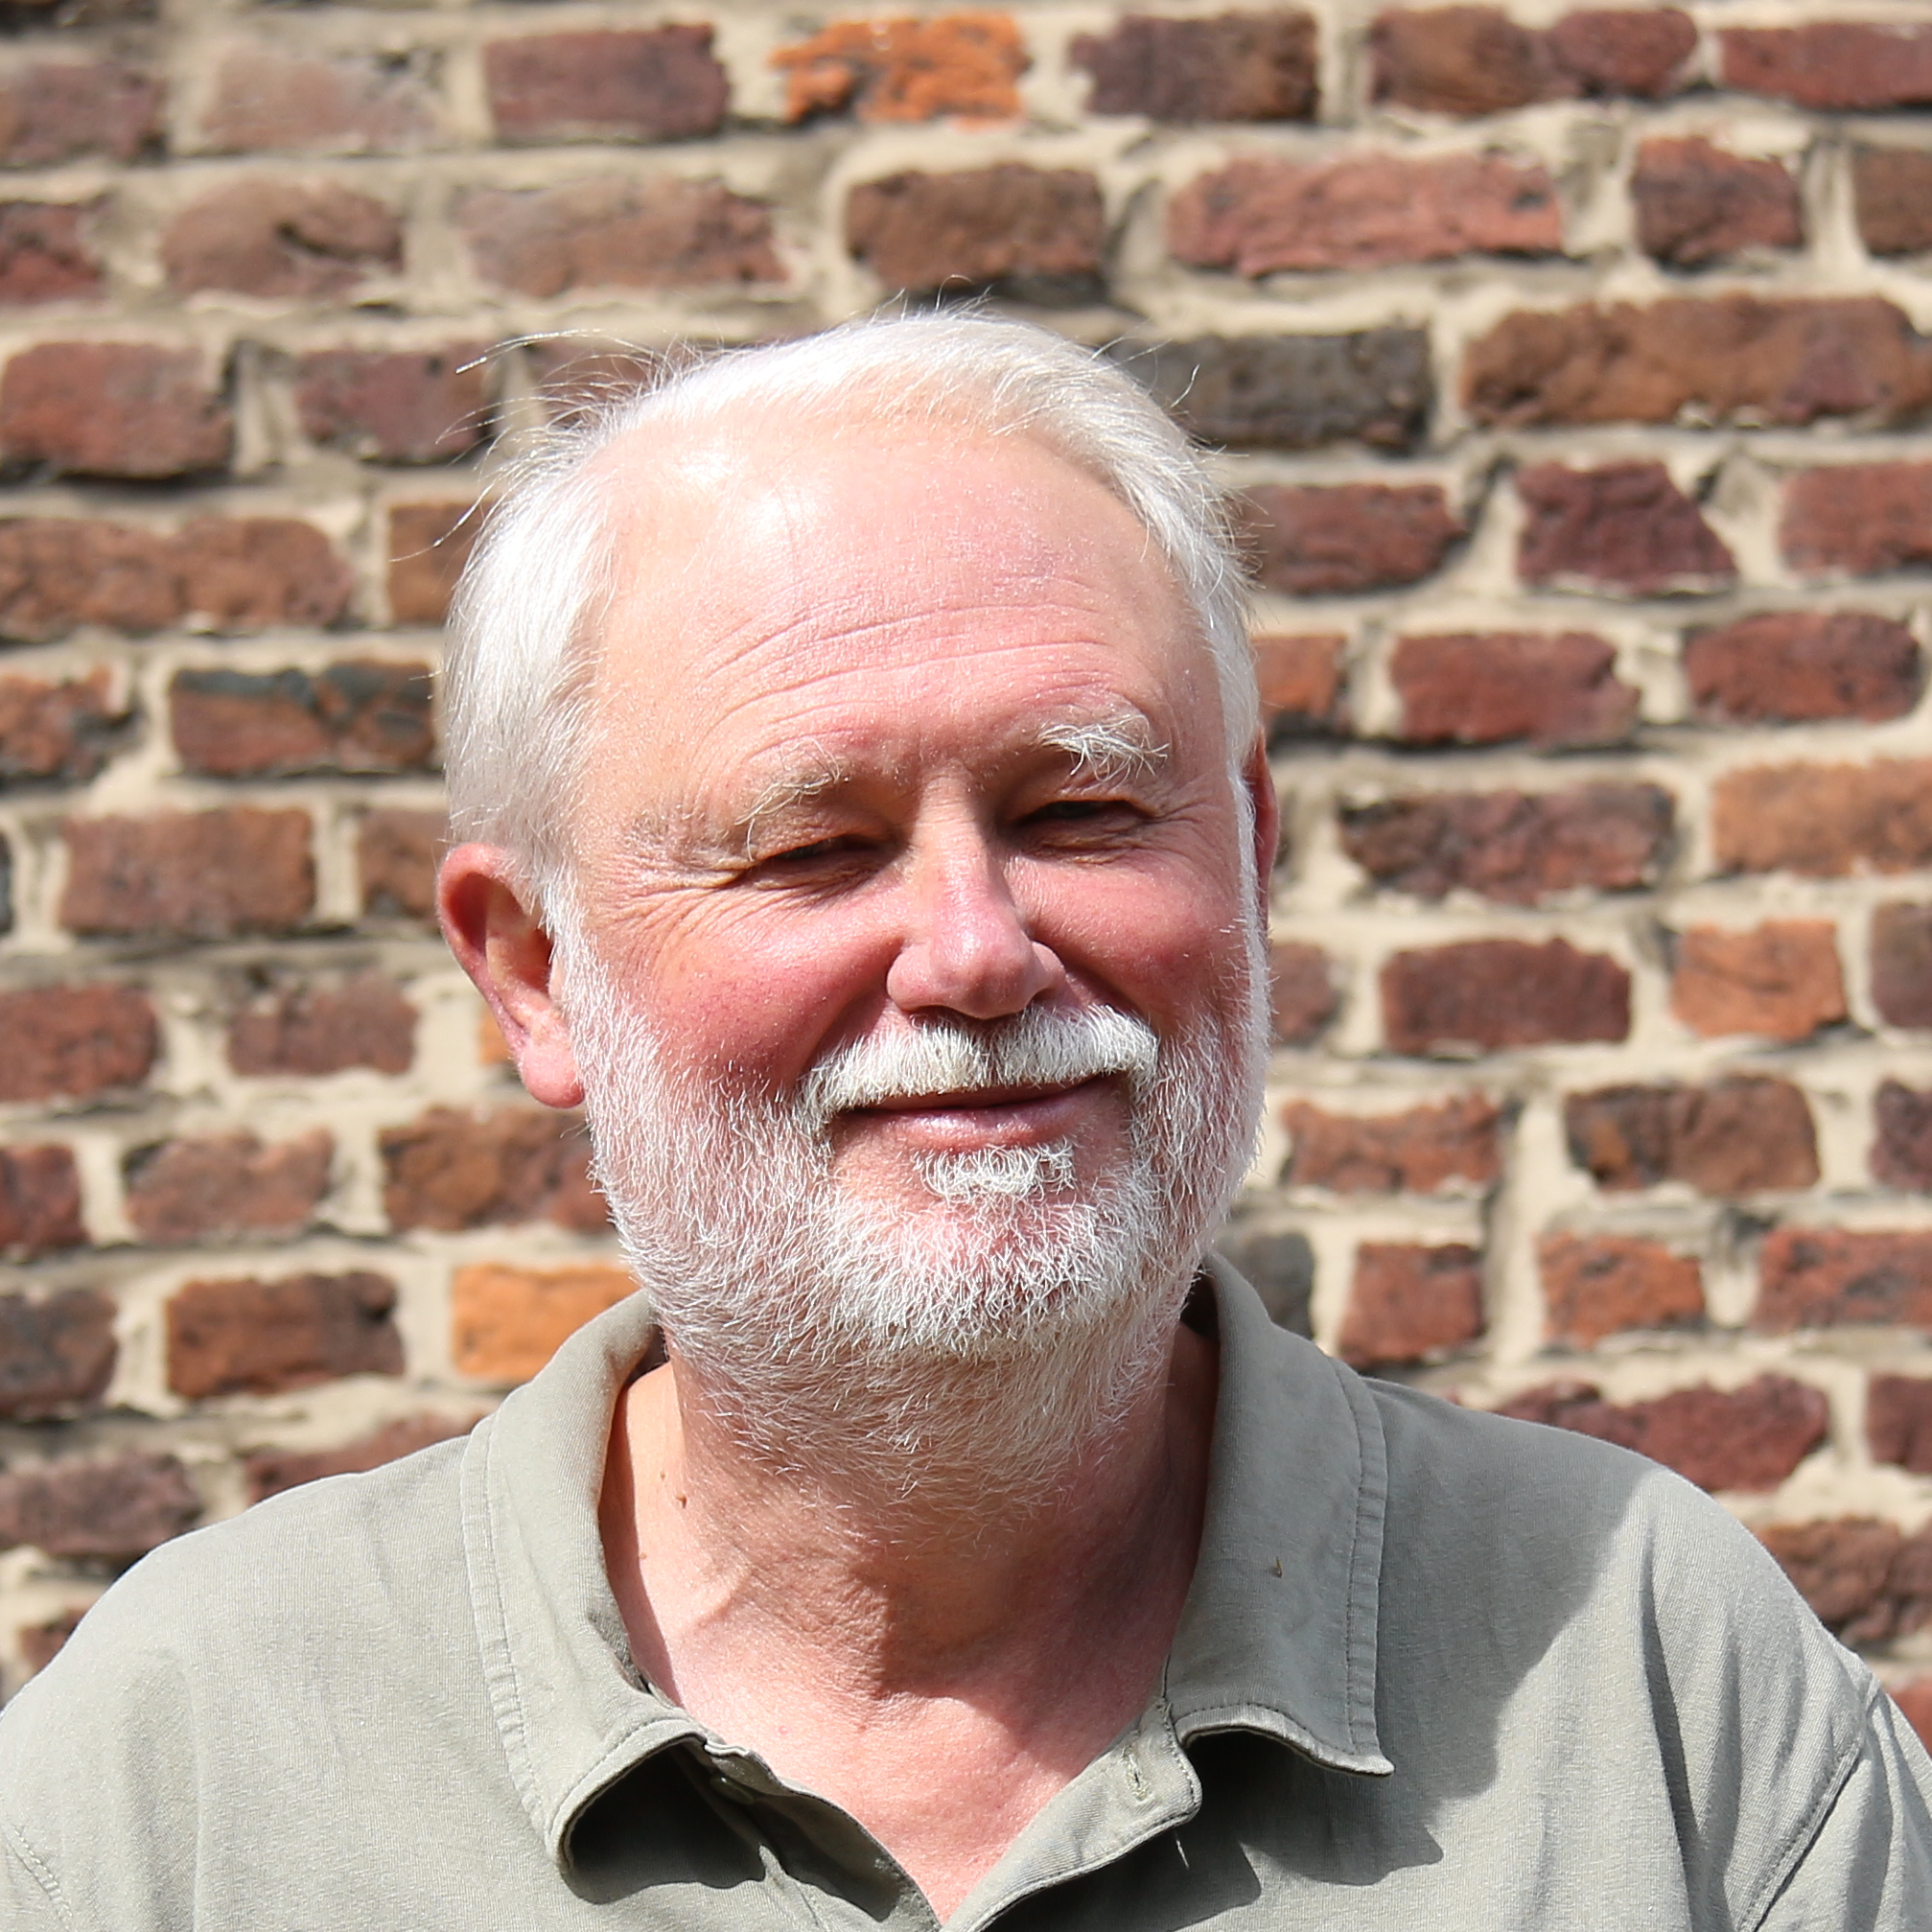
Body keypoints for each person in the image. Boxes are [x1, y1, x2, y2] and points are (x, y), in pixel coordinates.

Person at [3, 314, 1928, 1929]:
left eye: (1082, 811)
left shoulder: (1655, 1689)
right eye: (813, 846)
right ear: (532, 969)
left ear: (1251, 856)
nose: (977, 952)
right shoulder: (185, 1782)